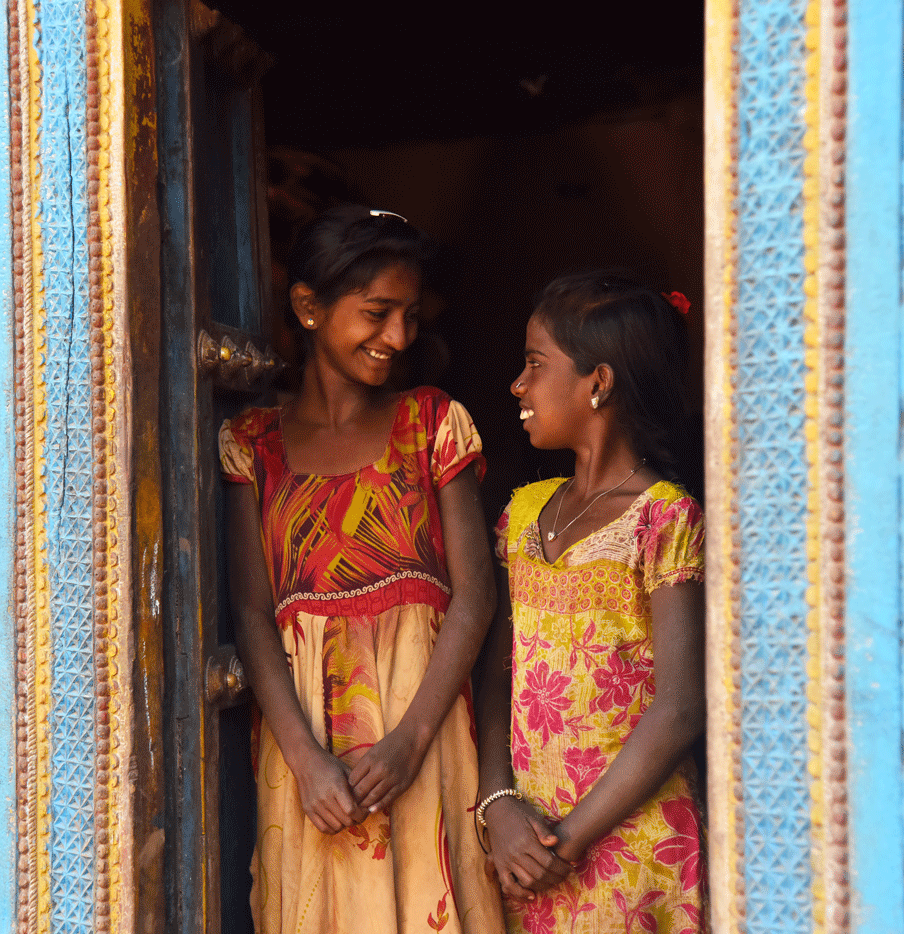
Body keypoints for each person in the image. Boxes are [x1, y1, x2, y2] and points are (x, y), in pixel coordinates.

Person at [220, 205, 504, 934]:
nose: (398, 338)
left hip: (426, 736)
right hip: (307, 753)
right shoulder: (254, 444)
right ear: (309, 308)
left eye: (409, 315)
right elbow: (253, 612)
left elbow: (474, 597)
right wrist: (307, 761)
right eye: (376, 313)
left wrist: (410, 741)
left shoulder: (432, 424)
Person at [475, 273, 707, 934]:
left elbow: (681, 705)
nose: (518, 385)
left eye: (535, 364)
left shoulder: (663, 518)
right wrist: (497, 804)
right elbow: (495, 678)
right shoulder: (520, 515)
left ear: (598, 382)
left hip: (631, 847)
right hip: (524, 847)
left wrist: (569, 840)